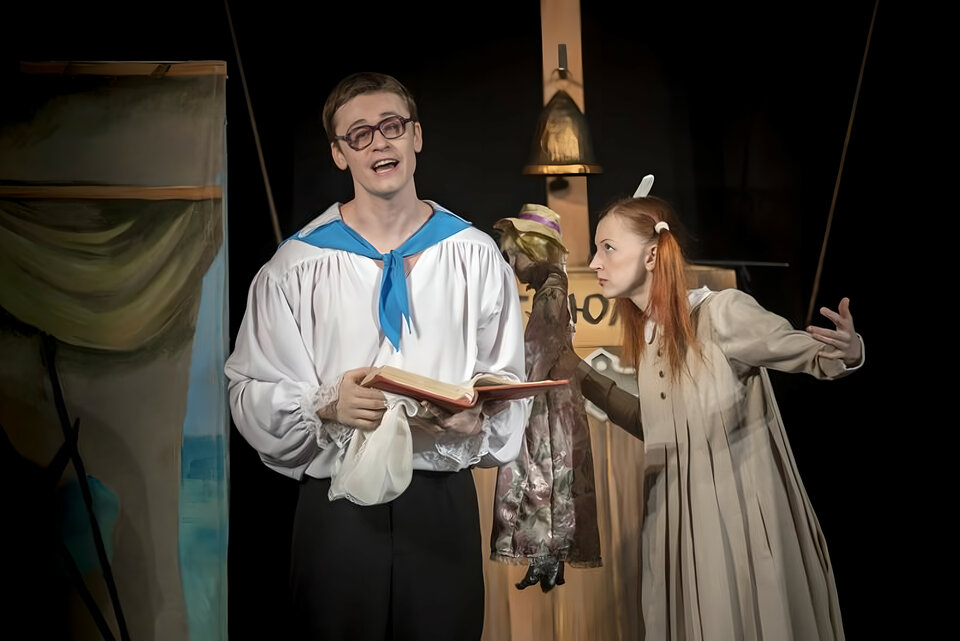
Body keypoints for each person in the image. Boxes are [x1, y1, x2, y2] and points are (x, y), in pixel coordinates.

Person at [224, 72, 530, 640]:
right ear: (339, 154)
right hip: (337, 506)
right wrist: (325, 405)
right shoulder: (296, 265)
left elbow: (506, 375)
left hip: (439, 501)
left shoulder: (475, 255)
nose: (379, 143)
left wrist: (477, 416)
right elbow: (248, 389)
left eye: (391, 126)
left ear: (416, 136)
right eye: (359, 134)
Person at [558, 193, 862, 640]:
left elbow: (808, 353)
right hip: (676, 518)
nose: (595, 262)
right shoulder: (649, 338)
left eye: (608, 247)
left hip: (733, 517)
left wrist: (848, 352)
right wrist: (578, 373)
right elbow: (655, 426)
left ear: (651, 254)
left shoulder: (721, 313)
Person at [490, 204, 602, 592]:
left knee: (540, 475)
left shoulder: (551, 293)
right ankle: (546, 559)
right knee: (551, 479)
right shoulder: (554, 289)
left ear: (532, 252)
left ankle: (546, 557)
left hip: (545, 399)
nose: (513, 265)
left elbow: (541, 350)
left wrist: (510, 392)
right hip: (552, 396)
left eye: (514, 255)